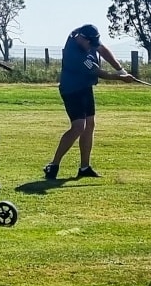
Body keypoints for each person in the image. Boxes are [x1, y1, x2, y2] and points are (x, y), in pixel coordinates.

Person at [44, 23, 133, 180]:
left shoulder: (87, 37)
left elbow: (102, 49)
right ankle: (53, 165)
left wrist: (121, 69)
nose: (92, 46)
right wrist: (121, 78)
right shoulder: (75, 54)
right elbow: (99, 72)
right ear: (82, 39)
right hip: (71, 89)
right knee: (79, 127)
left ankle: (84, 168)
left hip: (85, 87)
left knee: (90, 124)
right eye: (90, 44)